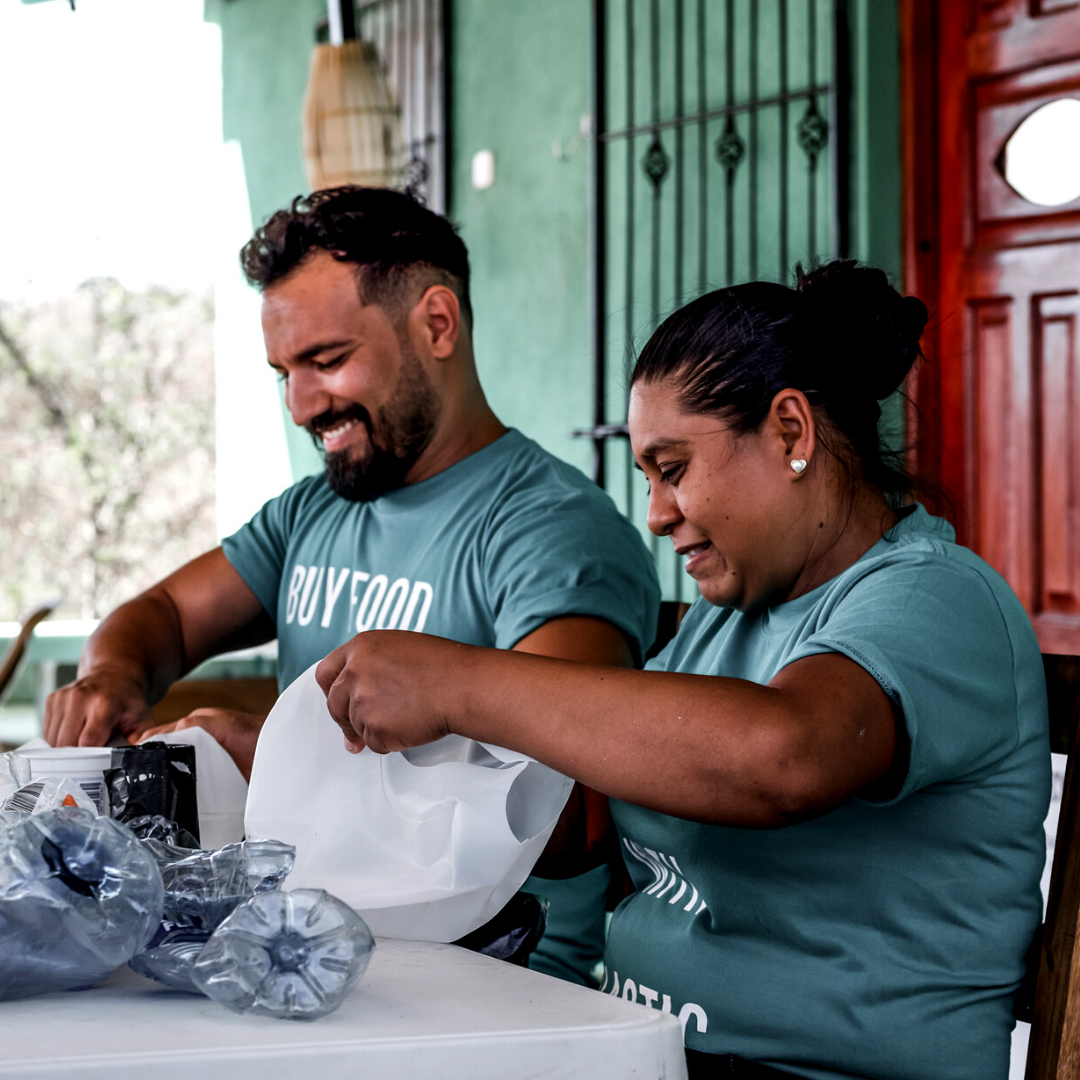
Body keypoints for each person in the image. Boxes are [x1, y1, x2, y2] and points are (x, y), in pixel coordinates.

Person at [309, 261, 1052, 1080]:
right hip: (637, 1050)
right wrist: (343, 767)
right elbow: (586, 817)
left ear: (792, 433)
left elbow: (783, 757)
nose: (657, 514)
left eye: (674, 469)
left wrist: (459, 684)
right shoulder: (729, 618)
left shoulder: (935, 599)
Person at [43, 185, 662, 987]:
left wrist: (275, 756)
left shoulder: (549, 529)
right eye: (284, 373)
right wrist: (112, 677)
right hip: (311, 951)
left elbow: (566, 812)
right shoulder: (316, 511)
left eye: (328, 361)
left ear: (437, 325)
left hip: (488, 979)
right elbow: (160, 614)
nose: (302, 404)